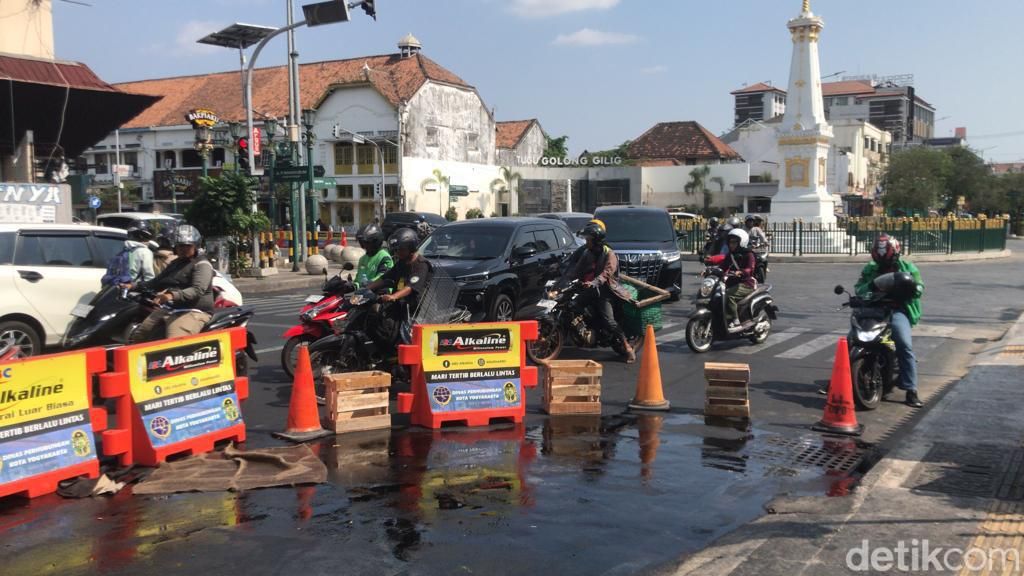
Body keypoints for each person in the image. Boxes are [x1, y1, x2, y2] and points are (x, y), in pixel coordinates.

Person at [854, 234, 925, 408]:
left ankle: (911, 390)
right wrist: (869, 287)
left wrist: (912, 287)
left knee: (904, 344)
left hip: (897, 309)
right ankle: (836, 381)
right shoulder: (870, 268)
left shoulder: (908, 267)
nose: (883, 263)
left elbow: (919, 287)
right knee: (851, 339)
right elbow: (859, 288)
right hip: (873, 309)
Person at [561, 220, 636, 363]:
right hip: (593, 288)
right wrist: (563, 280)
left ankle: (627, 347)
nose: (586, 242)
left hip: (608, 290)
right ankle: (587, 329)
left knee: (609, 321)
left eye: (588, 239)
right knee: (573, 305)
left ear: (596, 240)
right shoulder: (587, 252)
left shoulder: (609, 253)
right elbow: (577, 269)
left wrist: (593, 282)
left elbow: (606, 273)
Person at [129, 225, 215, 343]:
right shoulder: (175, 264)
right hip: (172, 308)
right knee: (139, 336)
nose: (183, 249)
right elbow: (157, 282)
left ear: (195, 246)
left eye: (187, 246)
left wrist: (171, 295)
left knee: (174, 344)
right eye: (180, 246)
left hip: (194, 310)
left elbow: (197, 290)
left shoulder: (202, 265)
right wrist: (133, 286)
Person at [709, 228, 756, 329]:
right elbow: (722, 267)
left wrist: (741, 272)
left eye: (734, 242)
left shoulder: (749, 254)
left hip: (746, 284)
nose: (731, 245)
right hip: (732, 283)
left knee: (729, 295)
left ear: (741, 242)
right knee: (716, 295)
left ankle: (735, 320)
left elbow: (750, 269)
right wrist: (709, 271)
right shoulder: (730, 255)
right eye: (730, 242)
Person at [353, 222, 393, 289]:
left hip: (380, 292)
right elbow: (358, 279)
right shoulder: (362, 259)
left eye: (367, 242)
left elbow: (382, 277)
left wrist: (367, 284)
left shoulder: (384, 257)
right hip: (363, 292)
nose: (364, 245)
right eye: (362, 243)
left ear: (376, 242)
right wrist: (352, 286)